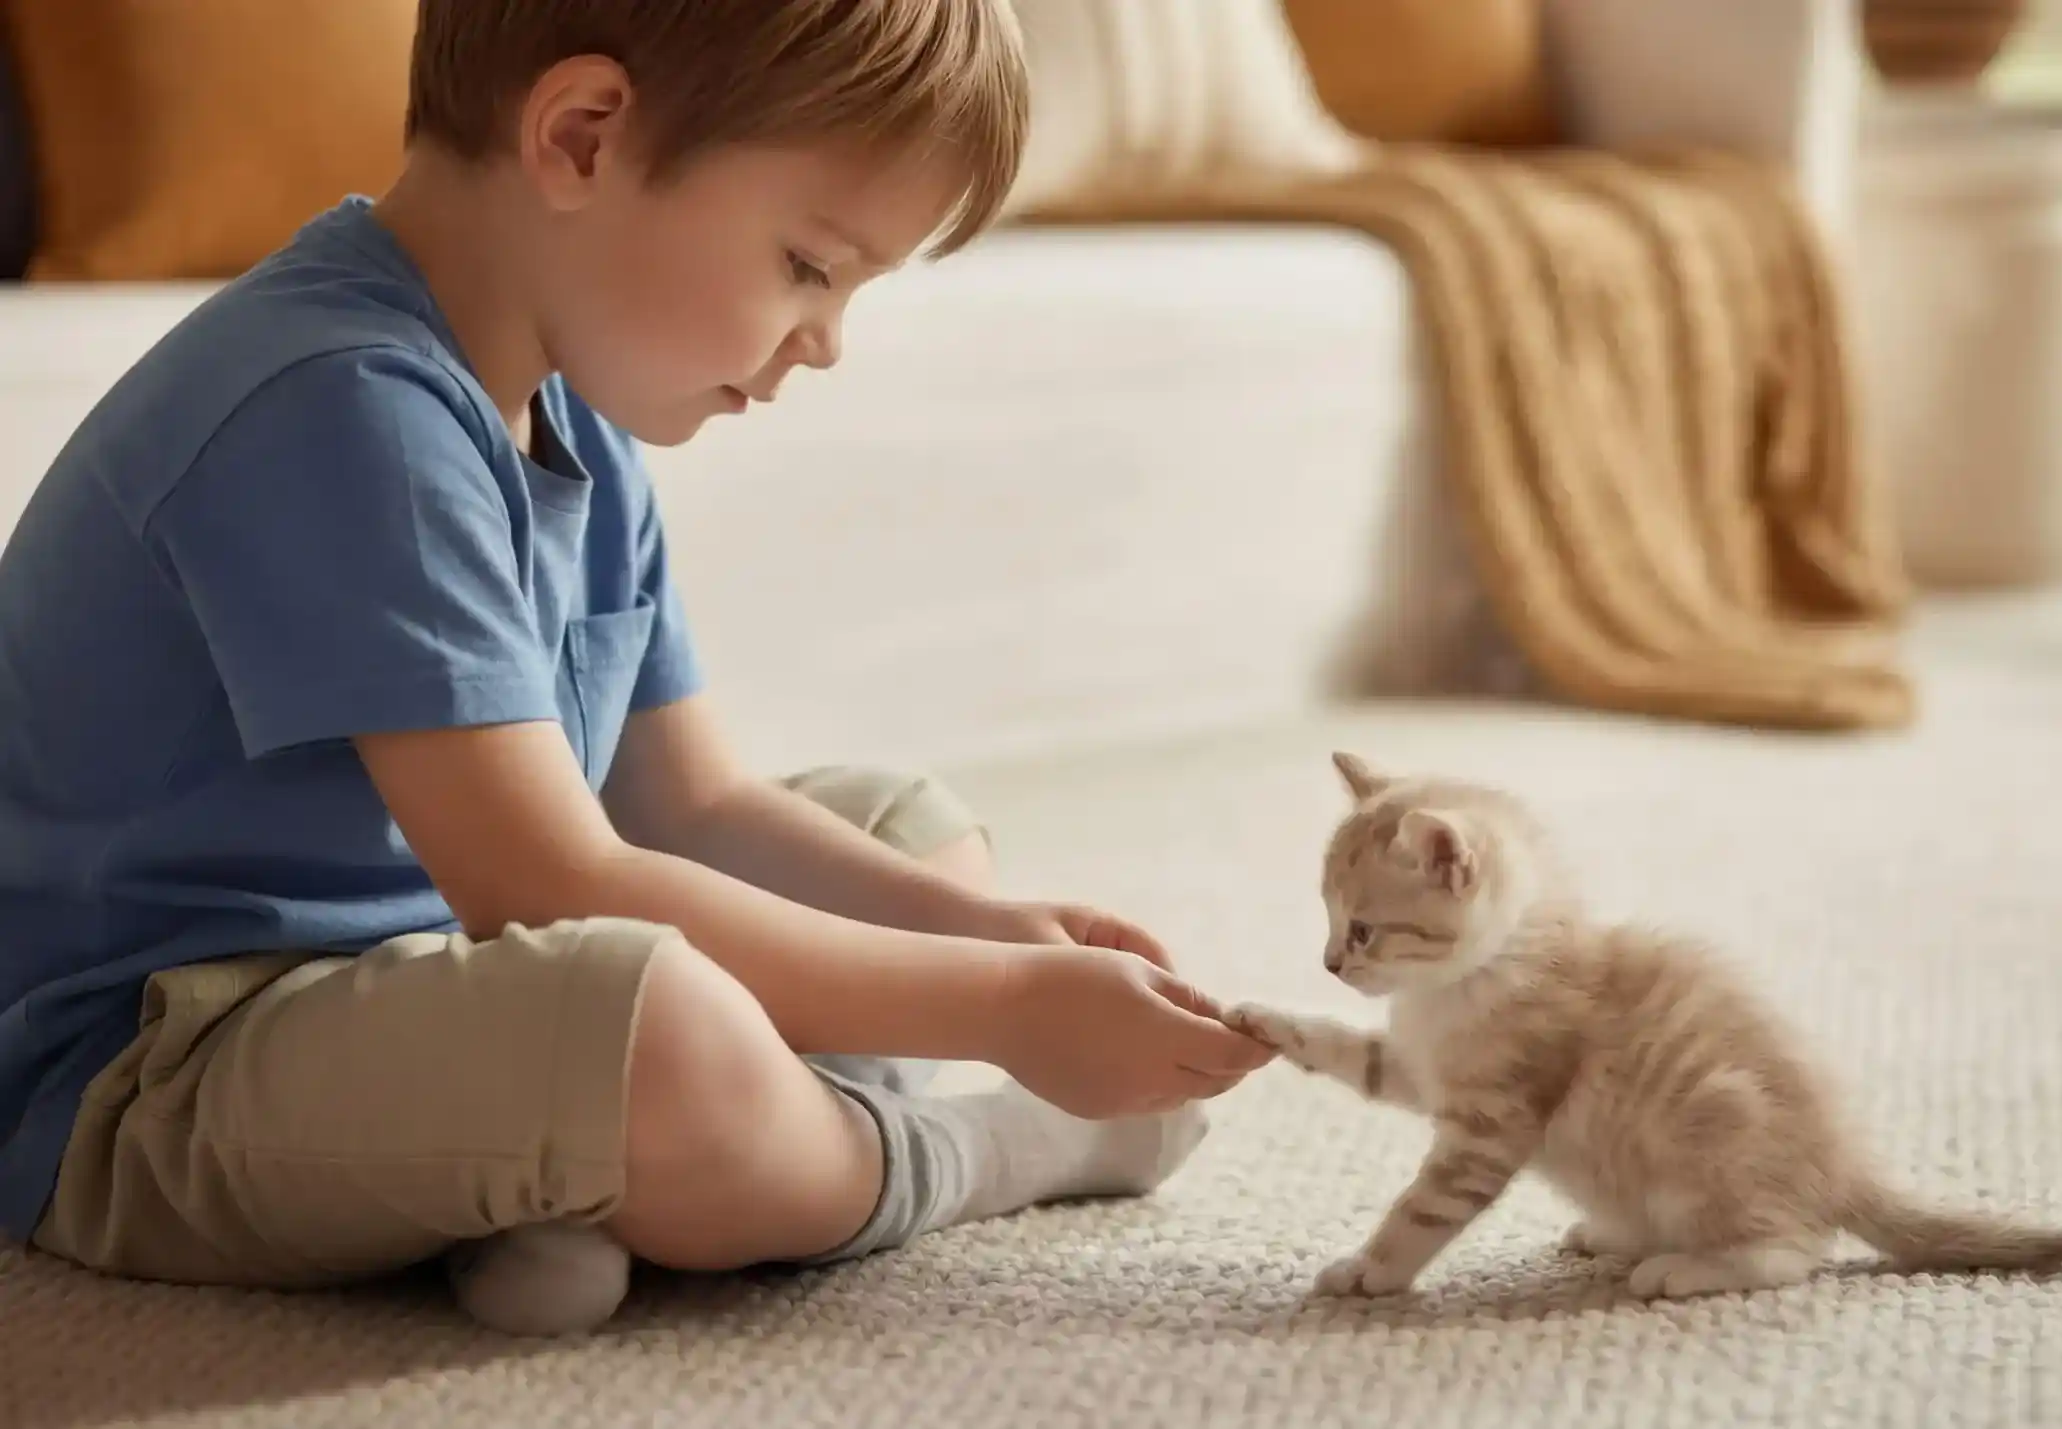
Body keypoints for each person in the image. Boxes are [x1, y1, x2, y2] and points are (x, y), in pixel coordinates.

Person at [0, 0, 1271, 1337]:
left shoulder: (569, 411)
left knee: (909, 840)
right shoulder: (336, 408)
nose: (826, 339)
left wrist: (989, 939)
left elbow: (690, 808)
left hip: (432, 974)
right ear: (583, 137)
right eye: (808, 265)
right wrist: (1006, 1011)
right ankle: (980, 1158)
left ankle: (567, 1188)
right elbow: (552, 881)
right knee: (662, 1041)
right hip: (153, 1077)